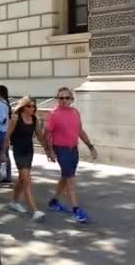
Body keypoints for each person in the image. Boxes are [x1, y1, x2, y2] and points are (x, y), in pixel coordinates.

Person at [45, 87, 98, 223]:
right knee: (71, 180)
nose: (63, 100)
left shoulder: (75, 112)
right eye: (60, 98)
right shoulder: (53, 114)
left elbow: (80, 131)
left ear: (71, 99)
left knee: (65, 177)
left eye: (66, 98)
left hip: (73, 149)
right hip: (61, 150)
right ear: (57, 99)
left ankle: (54, 201)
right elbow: (48, 133)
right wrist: (50, 150)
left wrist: (90, 146)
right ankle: (76, 210)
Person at [4, 97, 48, 221]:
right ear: (23, 106)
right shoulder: (16, 118)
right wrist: (3, 152)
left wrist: (48, 151)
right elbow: (7, 136)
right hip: (18, 151)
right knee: (27, 180)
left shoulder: (34, 119)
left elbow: (40, 136)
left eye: (34, 106)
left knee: (22, 179)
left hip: (29, 151)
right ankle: (34, 210)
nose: (32, 109)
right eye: (29, 106)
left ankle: (14, 202)